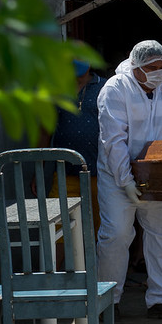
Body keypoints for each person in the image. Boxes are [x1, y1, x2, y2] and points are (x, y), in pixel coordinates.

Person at [96, 40, 162, 320]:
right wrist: (126, 181)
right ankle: (108, 302)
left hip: (156, 176)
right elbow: (113, 140)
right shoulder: (115, 89)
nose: (158, 73)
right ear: (136, 67)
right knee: (116, 235)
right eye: (151, 68)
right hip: (117, 177)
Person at [33, 60, 106, 242]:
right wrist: (38, 170)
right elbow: (45, 130)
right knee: (57, 229)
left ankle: (99, 271)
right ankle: (56, 270)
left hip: (101, 175)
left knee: (102, 230)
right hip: (64, 173)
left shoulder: (105, 87)